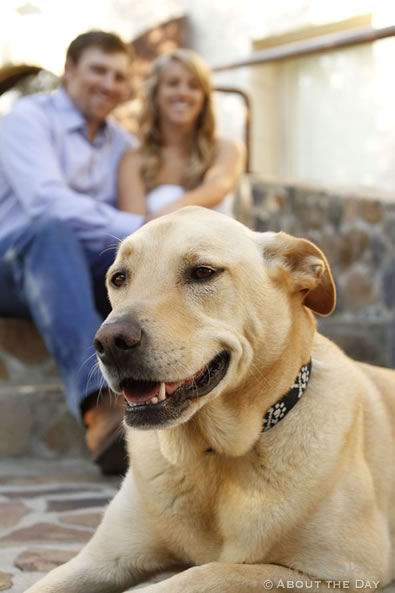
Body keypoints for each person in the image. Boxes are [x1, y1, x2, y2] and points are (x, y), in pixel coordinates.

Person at [0, 31, 144, 475]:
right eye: (98, 70)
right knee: (51, 231)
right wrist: (133, 226)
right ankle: (100, 408)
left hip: (76, 270)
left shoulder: (121, 144)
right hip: (12, 263)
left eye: (119, 76)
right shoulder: (25, 119)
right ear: (70, 70)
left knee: (138, 266)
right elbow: (46, 202)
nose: (108, 84)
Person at [117, 48, 245, 220]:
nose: (183, 93)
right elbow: (135, 230)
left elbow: (217, 188)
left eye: (193, 86)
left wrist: (165, 214)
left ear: (204, 98)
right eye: (173, 83)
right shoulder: (133, 159)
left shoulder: (227, 149)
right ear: (155, 94)